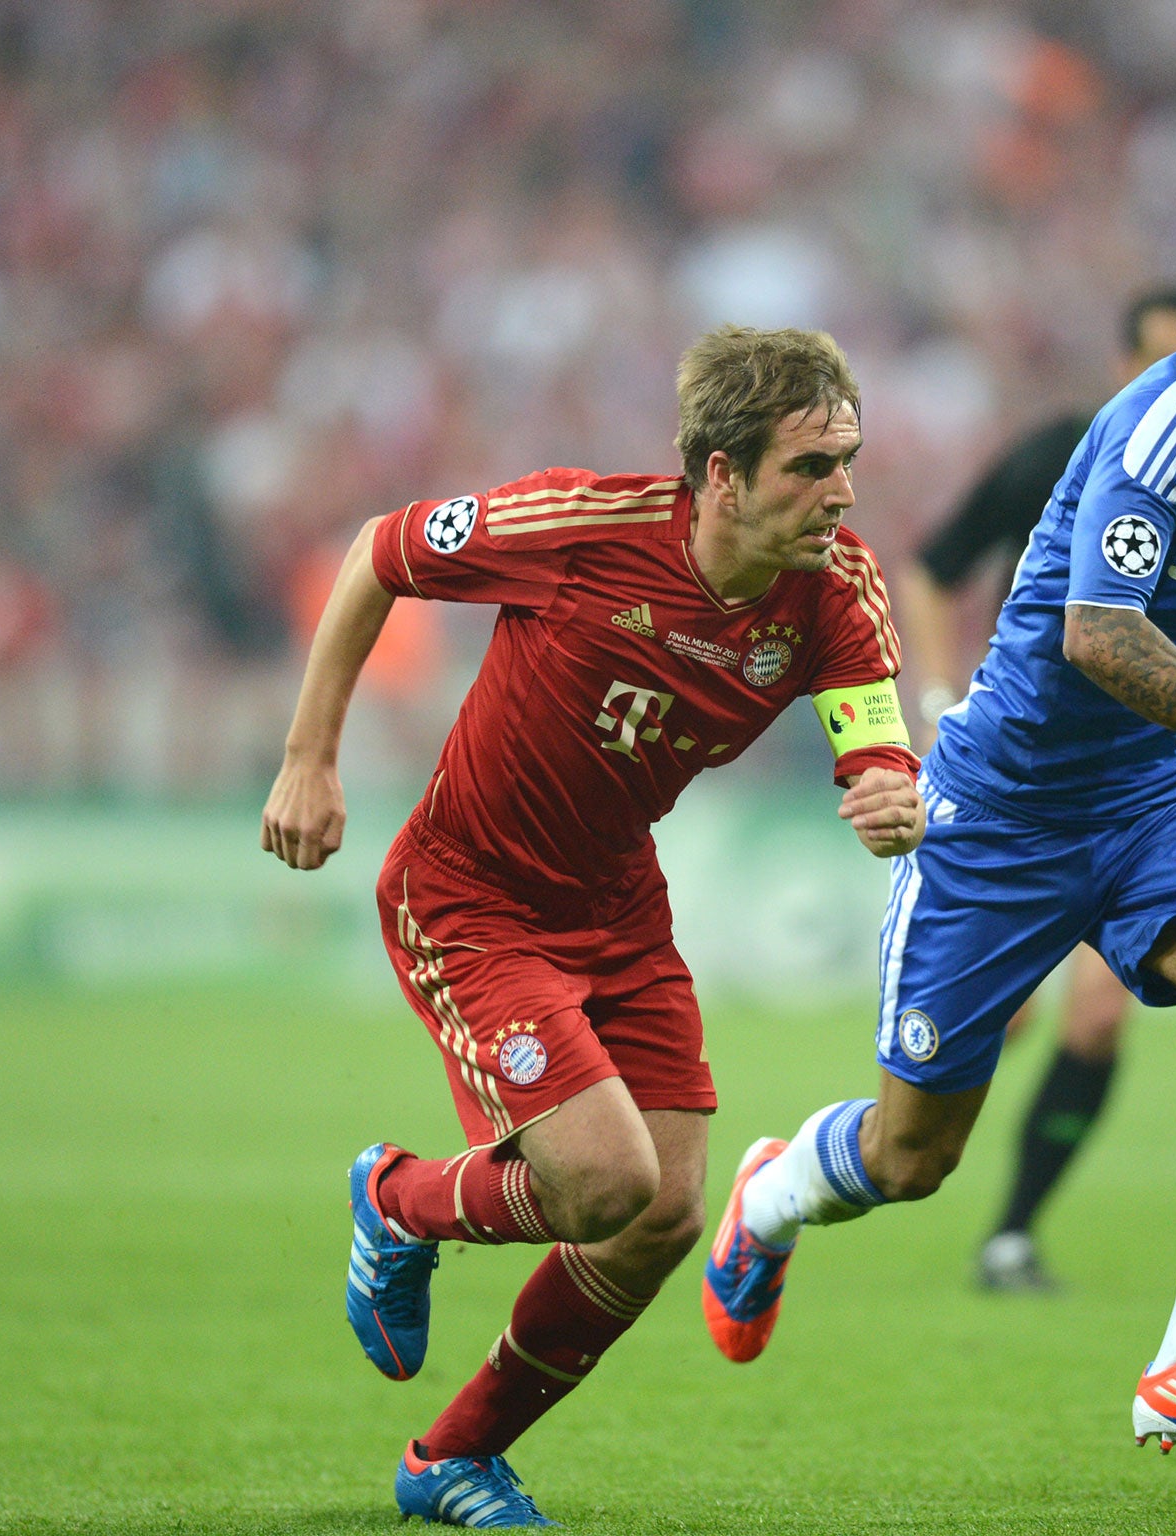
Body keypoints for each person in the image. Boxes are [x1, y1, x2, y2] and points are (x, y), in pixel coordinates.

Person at [701, 203, 1176, 1469]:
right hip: (1001, 818)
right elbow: (1098, 635)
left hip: (1149, 809)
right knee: (912, 1160)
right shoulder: (1162, 429)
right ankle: (772, 1194)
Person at [260, 326, 924, 1528]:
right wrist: (310, 760)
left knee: (664, 1215)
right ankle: (397, 1200)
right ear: (720, 474)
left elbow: (871, 728)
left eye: (847, 459)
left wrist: (885, 787)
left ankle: (450, 1460)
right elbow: (376, 554)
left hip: (618, 904)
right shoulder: (577, 527)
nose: (842, 490)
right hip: (468, 896)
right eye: (810, 466)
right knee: (602, 1184)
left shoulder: (833, 583)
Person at [898, 288, 1176, 1293]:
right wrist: (934, 691)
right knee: (985, 1049)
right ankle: (853, 1169)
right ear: (1127, 365)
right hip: (1014, 785)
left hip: (1143, 801)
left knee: (1096, 1015)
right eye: (1166, 361)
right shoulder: (1059, 455)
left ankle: (1012, 1232)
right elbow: (930, 565)